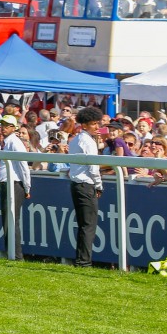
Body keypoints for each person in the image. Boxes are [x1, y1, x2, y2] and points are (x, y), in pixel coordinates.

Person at [0, 114, 30, 261]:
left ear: (13, 128)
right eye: (2, 125)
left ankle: (16, 256)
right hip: (7, 183)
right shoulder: (6, 142)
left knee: (11, 220)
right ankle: (11, 253)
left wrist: (27, 187)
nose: (3, 128)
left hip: (14, 184)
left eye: (6, 125)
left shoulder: (15, 142)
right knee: (8, 220)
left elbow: (24, 166)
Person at [67, 106, 104, 268]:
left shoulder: (75, 140)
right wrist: (99, 185)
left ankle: (82, 259)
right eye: (94, 124)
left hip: (77, 185)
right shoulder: (88, 141)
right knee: (88, 225)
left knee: (84, 225)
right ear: (85, 125)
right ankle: (84, 261)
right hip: (86, 185)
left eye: (98, 124)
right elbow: (93, 167)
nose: (98, 127)